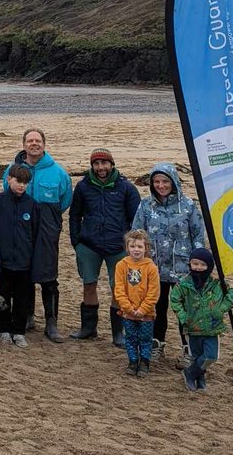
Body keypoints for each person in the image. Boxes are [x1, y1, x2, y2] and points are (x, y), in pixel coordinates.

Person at [130, 162, 205, 363]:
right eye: (156, 182)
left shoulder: (188, 206)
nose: (161, 186)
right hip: (154, 268)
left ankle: (189, 350)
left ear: (173, 182)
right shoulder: (146, 205)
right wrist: (137, 261)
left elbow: (198, 235)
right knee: (157, 307)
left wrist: (198, 266)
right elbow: (137, 234)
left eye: (165, 181)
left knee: (184, 310)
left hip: (183, 269)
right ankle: (156, 344)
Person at [2, 128, 72, 343]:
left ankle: (51, 323)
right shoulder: (12, 171)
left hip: (47, 232)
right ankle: (28, 316)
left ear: (44, 144)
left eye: (38, 140)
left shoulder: (58, 172)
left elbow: (65, 200)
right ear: (24, 145)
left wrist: (48, 222)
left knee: (48, 278)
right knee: (23, 276)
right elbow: (7, 194)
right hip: (20, 232)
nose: (34, 144)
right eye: (30, 140)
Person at [68, 147, 141, 346]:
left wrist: (131, 244)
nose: (101, 167)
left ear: (111, 164)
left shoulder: (126, 187)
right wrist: (77, 241)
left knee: (118, 289)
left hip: (118, 247)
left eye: (104, 163)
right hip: (89, 245)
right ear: (92, 165)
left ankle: (118, 333)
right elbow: (75, 215)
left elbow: (136, 218)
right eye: (96, 163)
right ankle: (88, 328)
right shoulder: (83, 187)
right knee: (89, 284)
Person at [170, 247, 233, 392]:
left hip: (212, 328)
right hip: (192, 327)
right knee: (196, 355)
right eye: (195, 264)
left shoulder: (216, 284)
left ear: (209, 267)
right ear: (190, 264)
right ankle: (199, 378)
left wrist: (222, 308)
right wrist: (184, 317)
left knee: (210, 356)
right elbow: (175, 299)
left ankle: (190, 373)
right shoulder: (184, 284)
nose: (199, 267)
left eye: (203, 265)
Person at [0, 165, 39, 348]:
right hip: (4, 264)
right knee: (3, 298)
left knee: (23, 299)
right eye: (18, 181)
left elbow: (36, 234)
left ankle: (19, 331)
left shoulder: (31, 204)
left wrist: (33, 262)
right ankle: (4, 330)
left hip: (24, 263)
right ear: (9, 179)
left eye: (25, 183)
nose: (21, 186)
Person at [113, 230, 160, 377]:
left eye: (139, 246)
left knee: (145, 338)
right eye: (133, 246)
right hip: (128, 312)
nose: (136, 250)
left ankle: (145, 362)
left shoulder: (151, 267)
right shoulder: (121, 265)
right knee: (131, 337)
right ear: (127, 248)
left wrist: (143, 309)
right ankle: (133, 361)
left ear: (146, 247)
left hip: (146, 313)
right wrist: (127, 307)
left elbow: (153, 292)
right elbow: (119, 288)